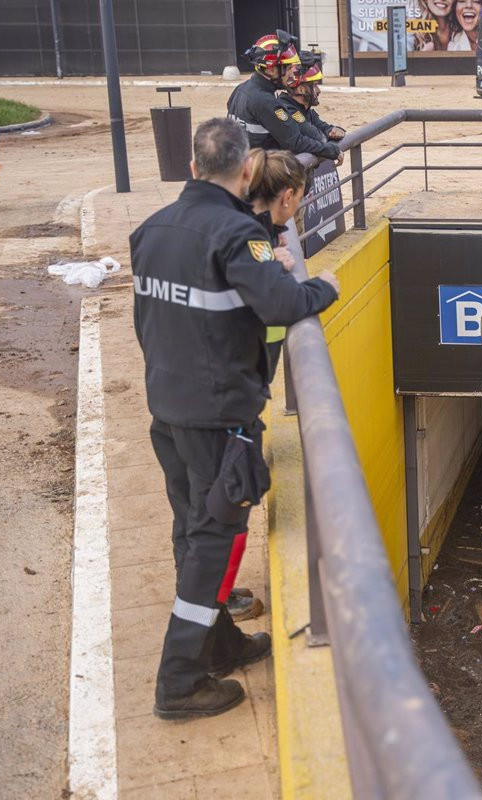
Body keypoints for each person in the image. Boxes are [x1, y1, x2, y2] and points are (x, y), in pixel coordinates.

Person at [131, 118, 339, 719]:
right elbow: (281, 304)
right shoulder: (235, 235)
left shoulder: (153, 228)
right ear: (247, 169)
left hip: (168, 411)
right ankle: (179, 682)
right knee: (213, 544)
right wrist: (319, 286)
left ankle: (220, 646)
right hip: (219, 417)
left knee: (191, 529)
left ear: (193, 167)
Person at [244, 147, 308, 383]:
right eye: (299, 200)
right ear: (287, 197)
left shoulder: (249, 220)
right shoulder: (250, 233)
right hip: (250, 349)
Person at [227, 31, 340, 162]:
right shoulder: (267, 102)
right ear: (270, 70)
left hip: (244, 171)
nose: (292, 73)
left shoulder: (239, 90)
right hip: (265, 176)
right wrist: (332, 150)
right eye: (287, 68)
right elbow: (295, 142)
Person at [279, 51, 345, 146]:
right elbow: (318, 138)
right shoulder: (289, 110)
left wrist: (331, 130)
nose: (318, 91)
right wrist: (329, 134)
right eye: (314, 86)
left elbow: (323, 127)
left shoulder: (304, 109)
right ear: (300, 89)